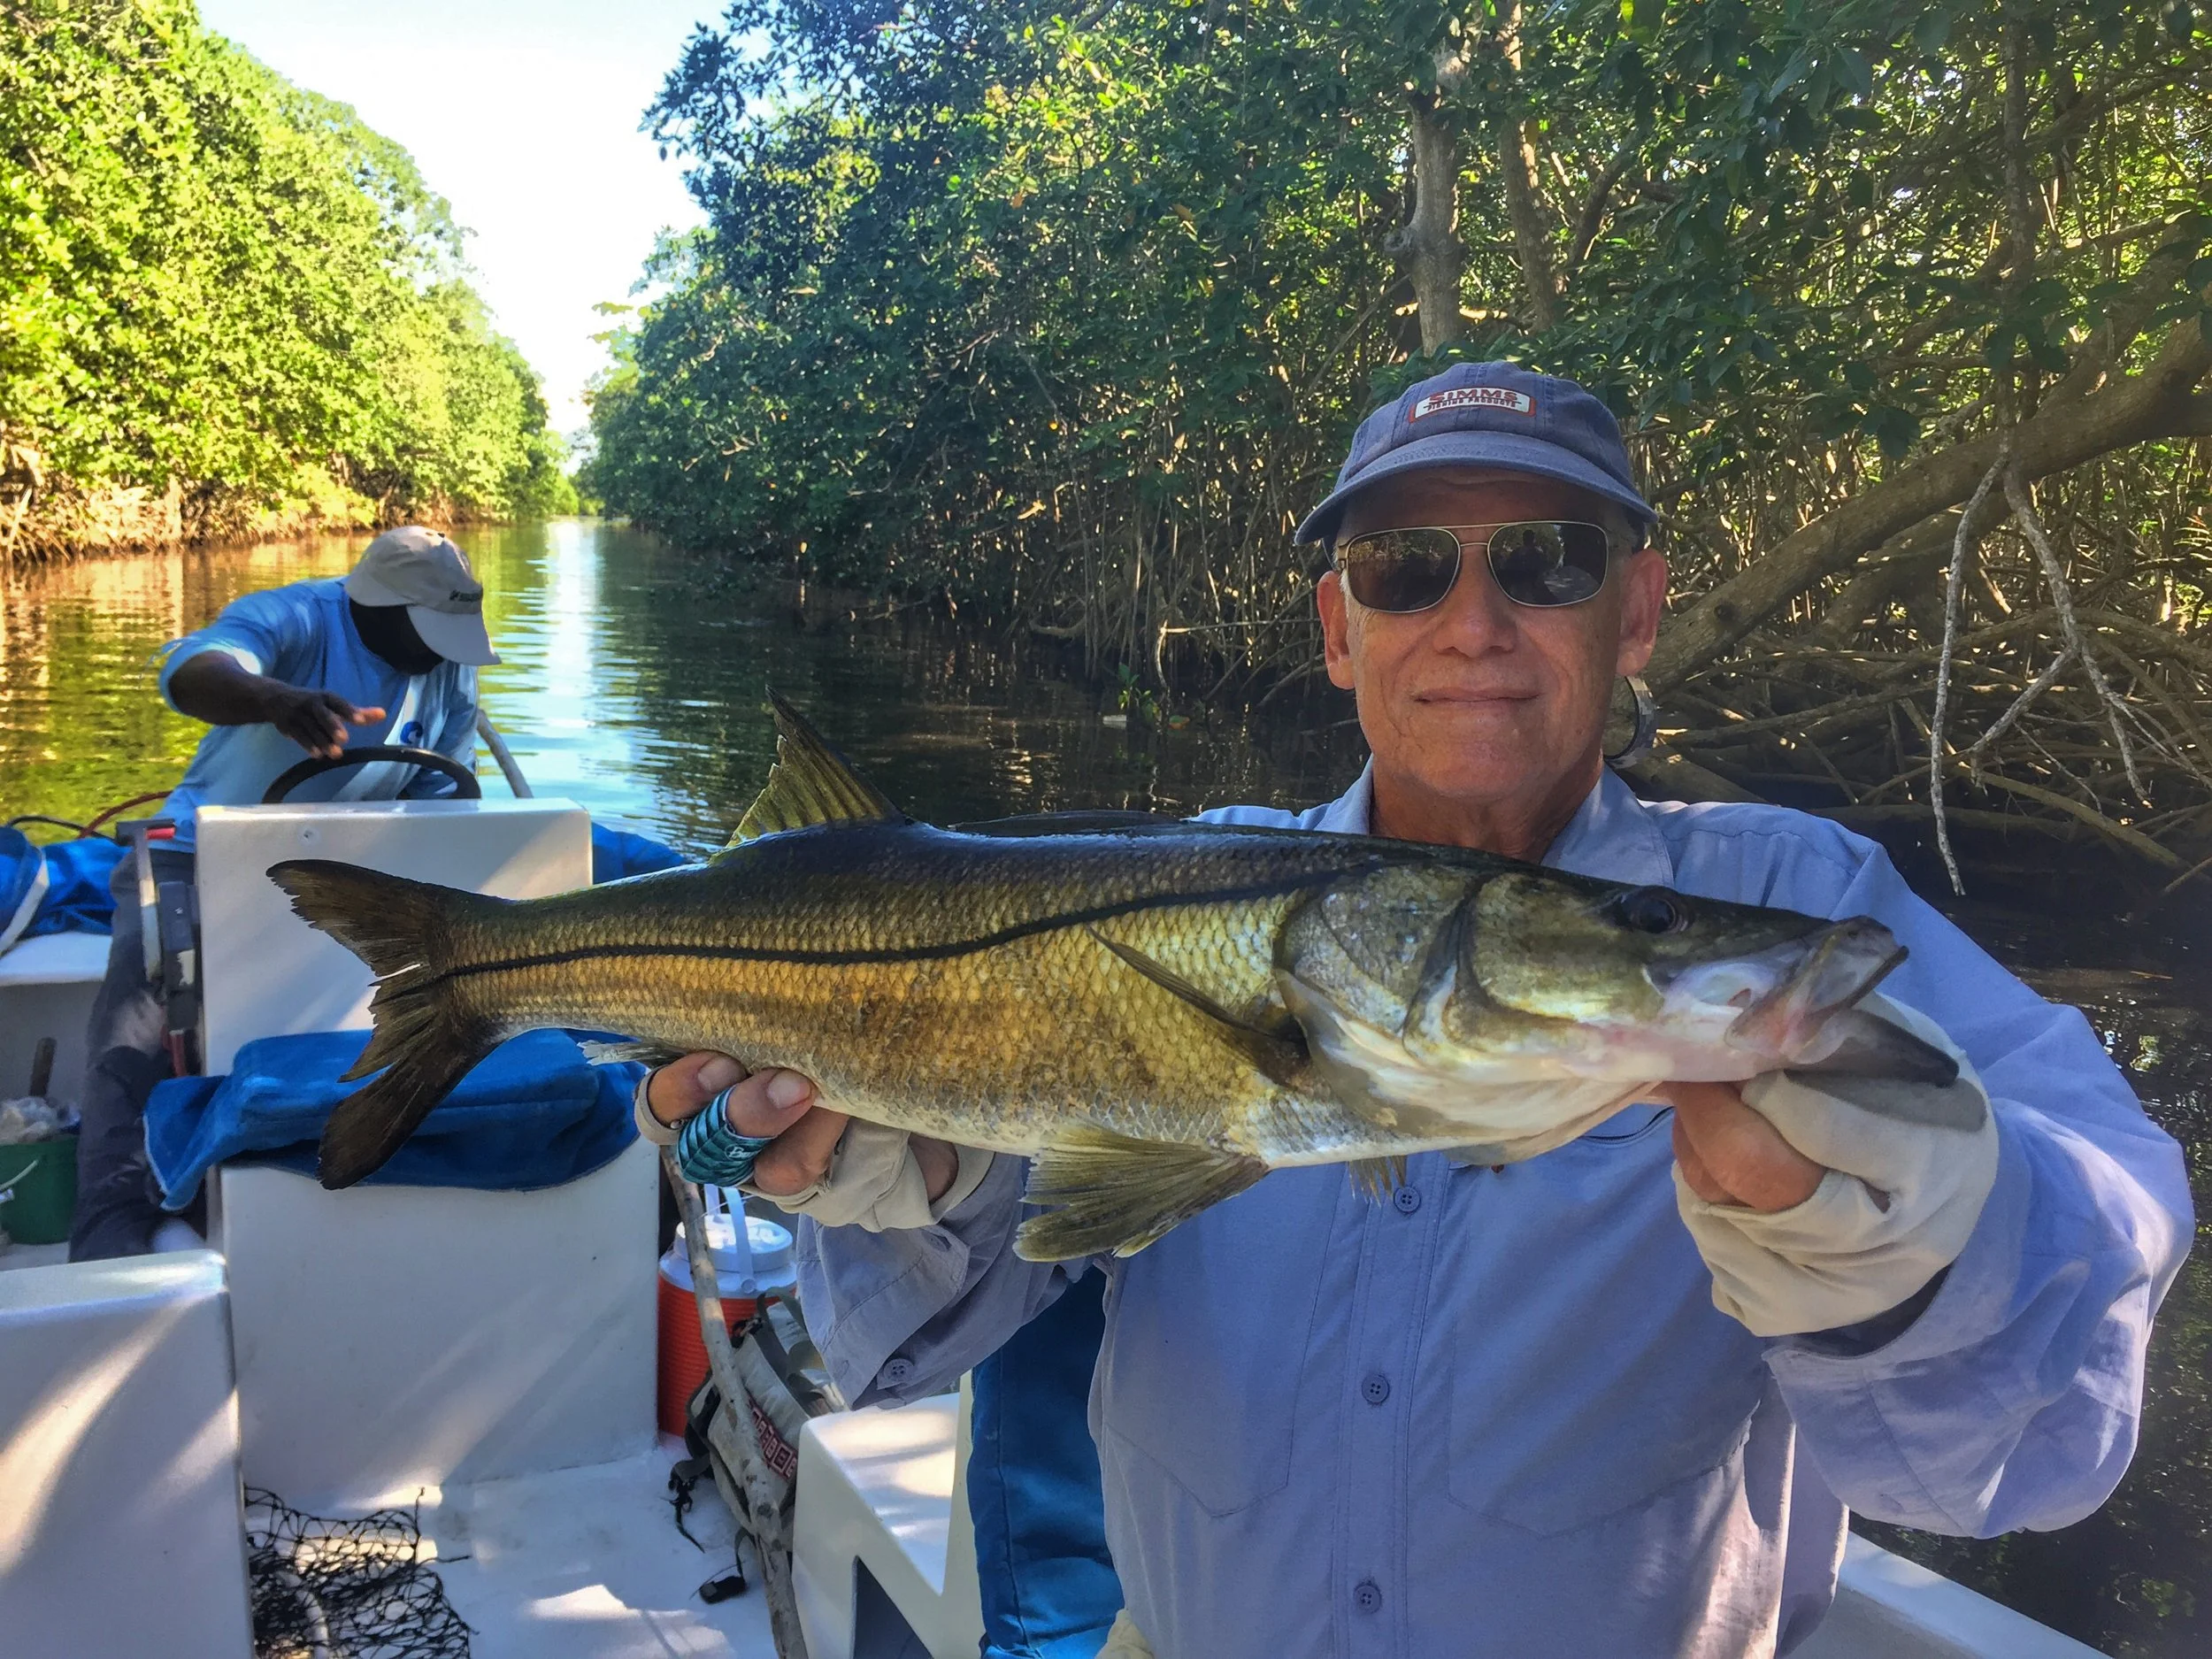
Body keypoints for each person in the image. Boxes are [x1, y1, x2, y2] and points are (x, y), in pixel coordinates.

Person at [637, 364, 2192, 1656]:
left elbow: (2041, 1422)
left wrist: (1924, 1235)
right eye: (1405, 568)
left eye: (1547, 560)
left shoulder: (1797, 904)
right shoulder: (1184, 886)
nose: (1472, 619)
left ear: (1635, 611)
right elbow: (925, 1336)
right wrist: (884, 1174)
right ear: (1337, 629)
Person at [71, 526, 495, 1261]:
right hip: (197, 855)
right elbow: (193, 672)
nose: (439, 652)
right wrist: (276, 698)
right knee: (137, 1014)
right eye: (428, 632)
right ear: (375, 605)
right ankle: (109, 1223)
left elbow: (444, 799)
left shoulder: (449, 669)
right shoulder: (298, 619)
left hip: (336, 879)